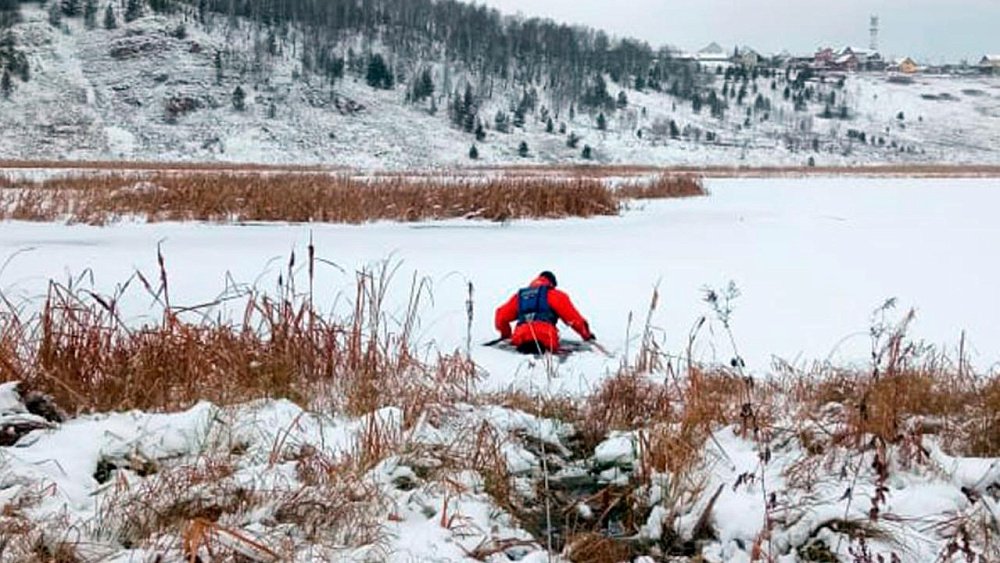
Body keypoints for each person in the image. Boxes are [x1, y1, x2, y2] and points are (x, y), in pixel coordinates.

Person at [494, 271, 594, 354]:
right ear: (552, 284)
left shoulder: (519, 297)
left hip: (520, 338)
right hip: (547, 339)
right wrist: (587, 335)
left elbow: (500, 316)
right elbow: (575, 320)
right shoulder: (556, 295)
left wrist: (506, 335)